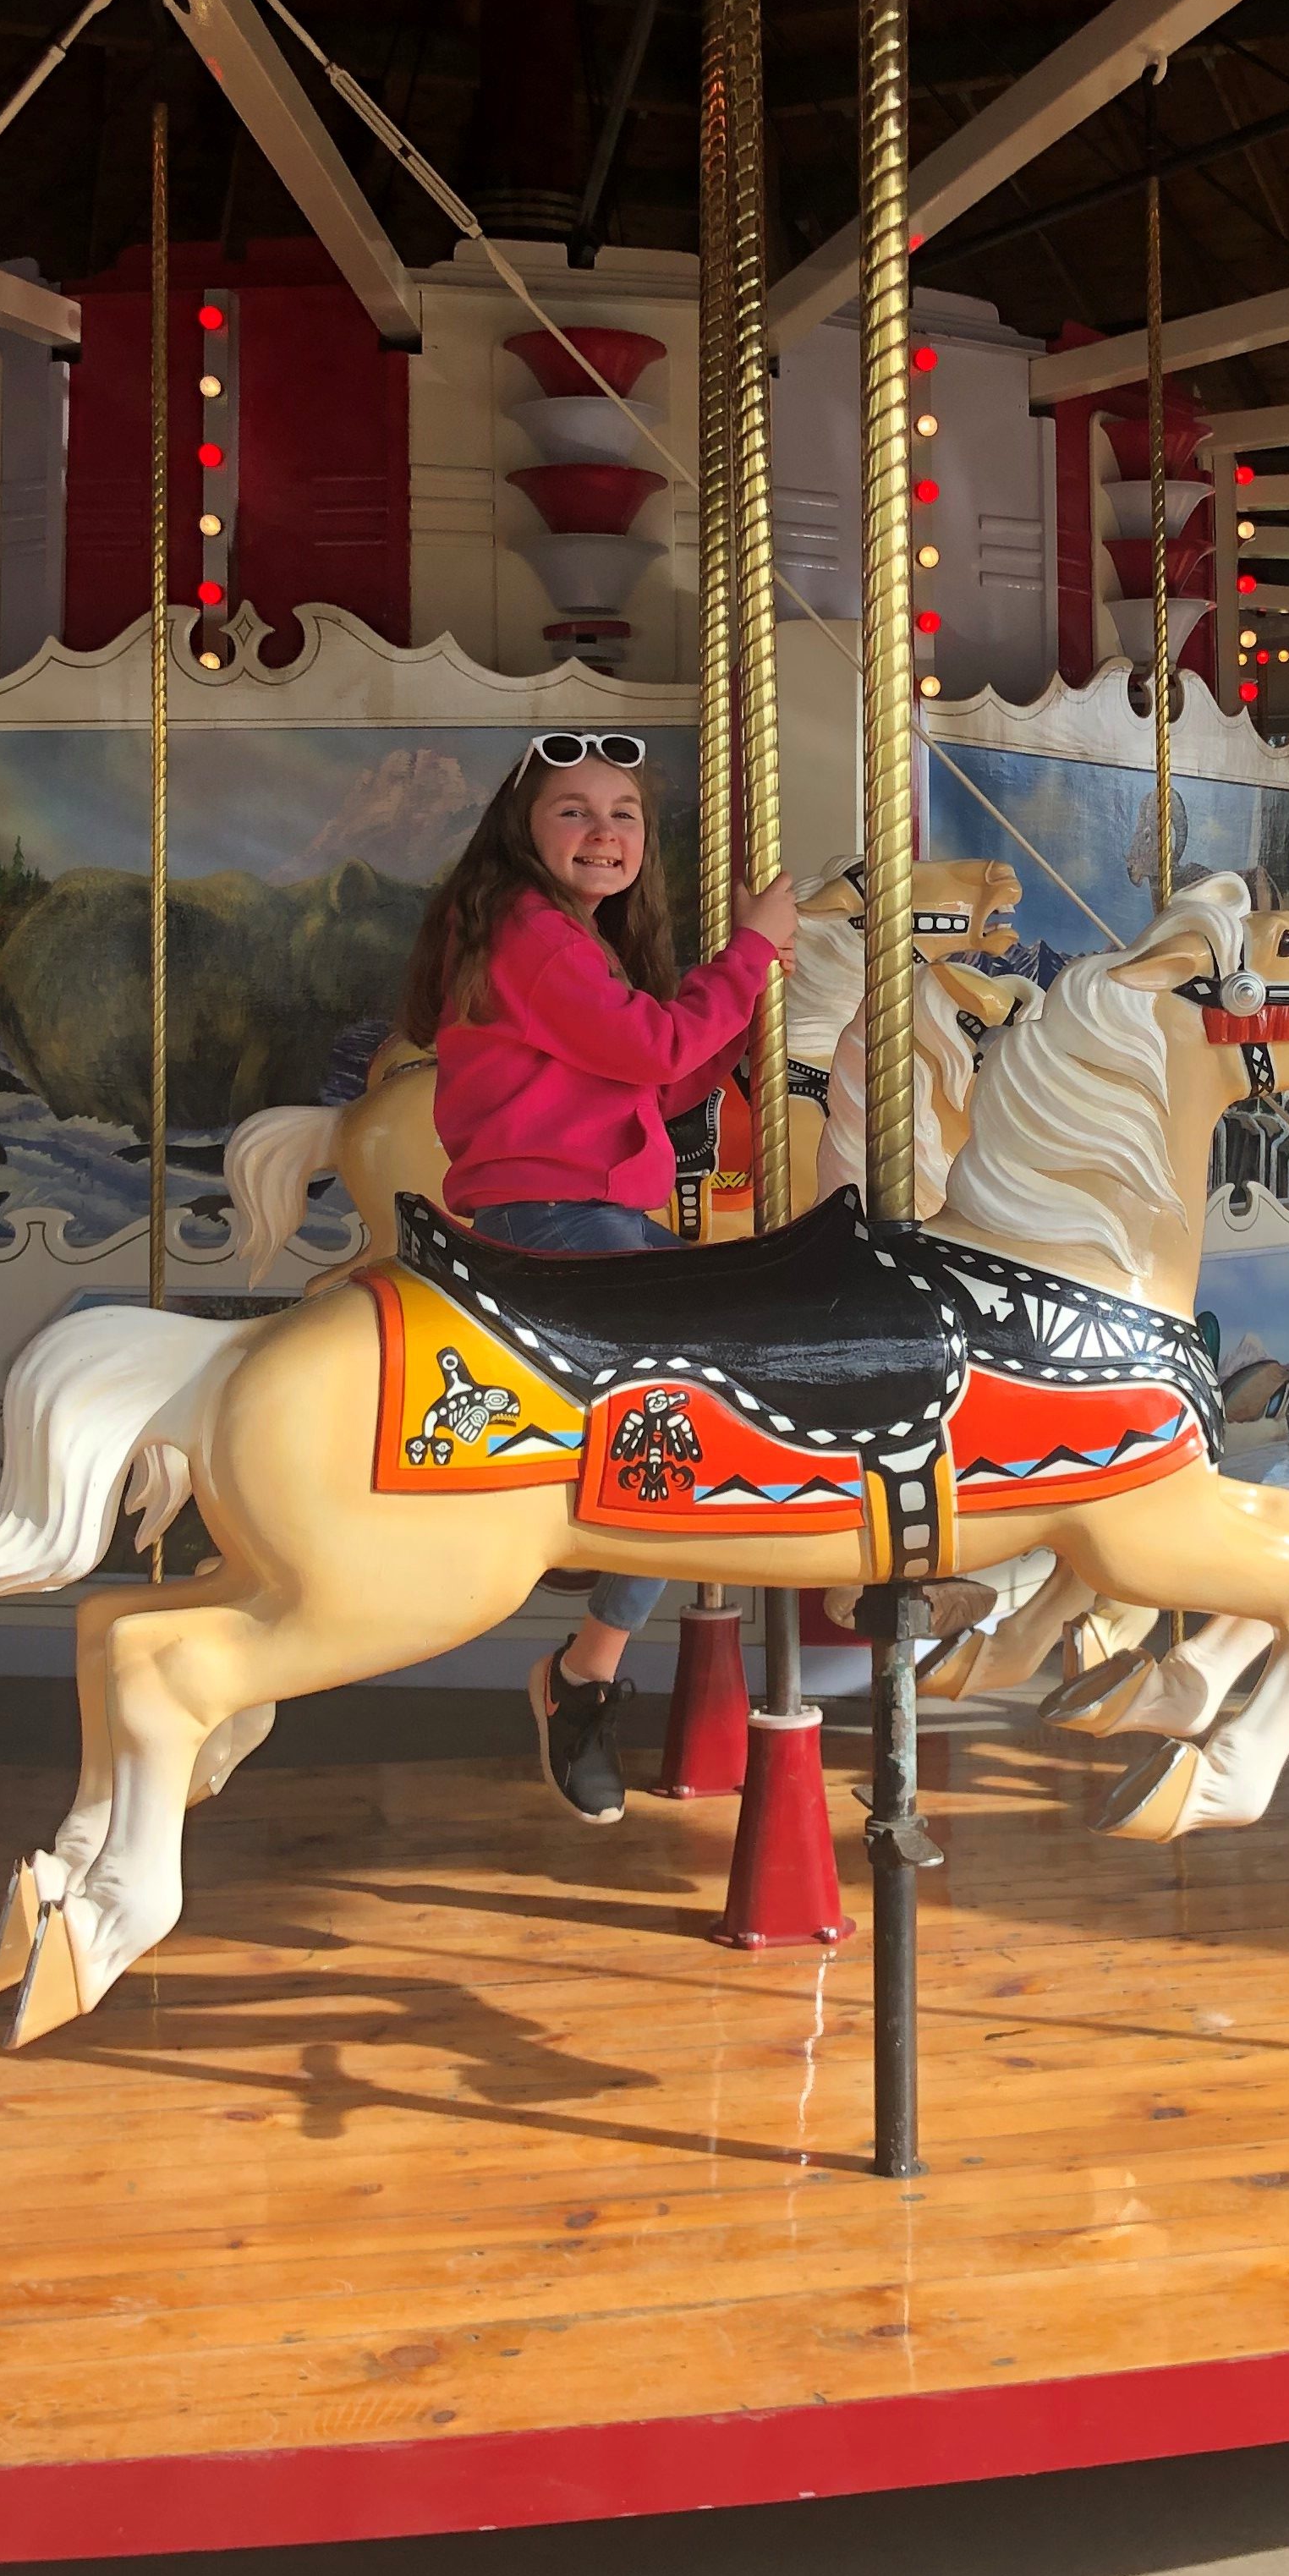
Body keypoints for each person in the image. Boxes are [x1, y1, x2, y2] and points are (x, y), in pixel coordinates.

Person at [403, 729, 796, 1822]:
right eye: (574, 810)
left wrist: (739, 1031)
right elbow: (653, 1050)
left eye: (622, 814)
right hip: (556, 1214)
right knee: (683, 1412)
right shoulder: (529, 931)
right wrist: (753, 952)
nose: (604, 832)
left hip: (600, 1209)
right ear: (523, 828)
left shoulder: (572, 940)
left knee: (753, 1345)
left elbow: (657, 1085)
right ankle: (589, 1664)